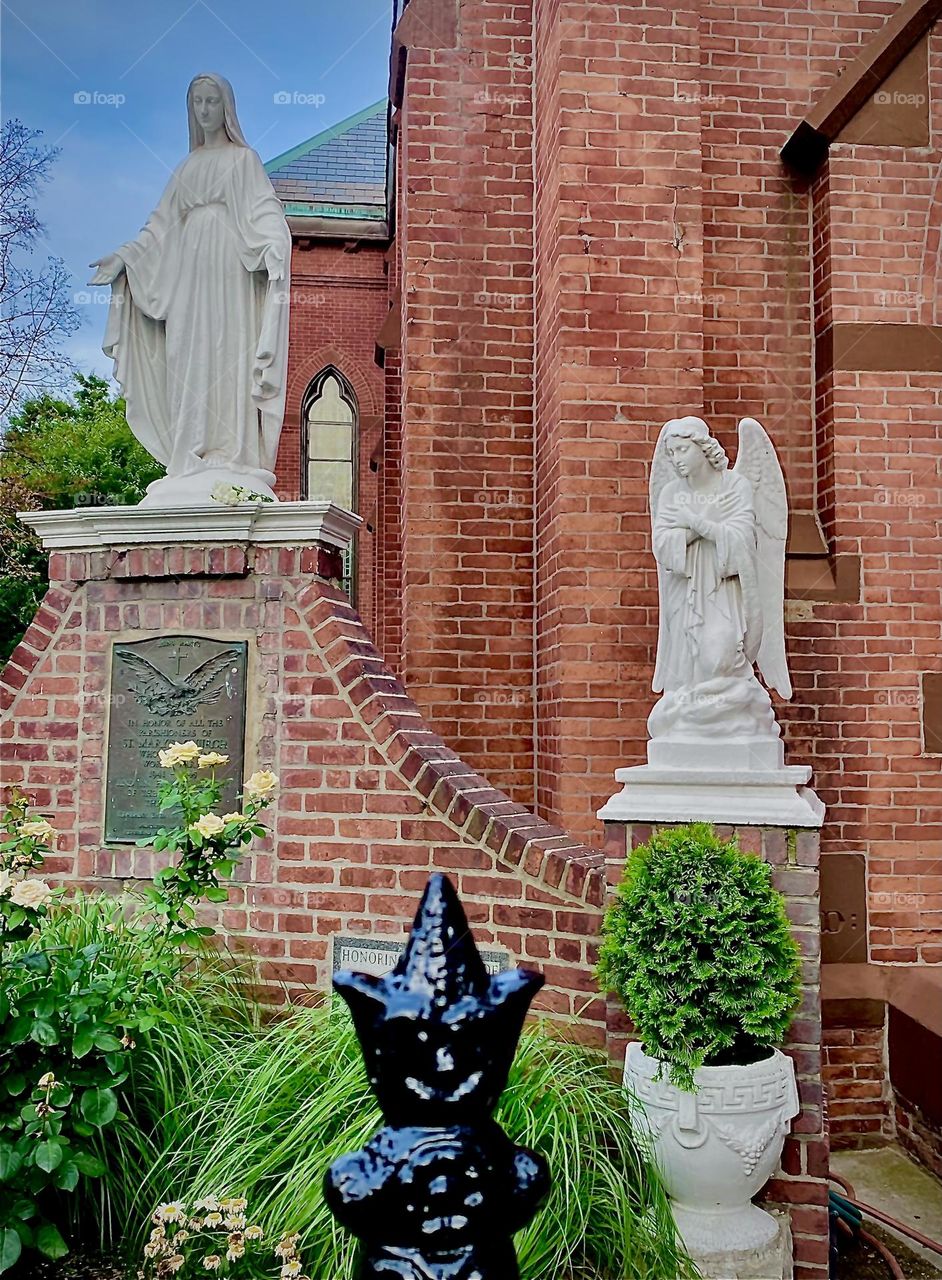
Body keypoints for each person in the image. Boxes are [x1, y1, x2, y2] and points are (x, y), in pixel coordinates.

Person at [90, 73, 291, 504]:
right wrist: (125, 257)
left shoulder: (243, 160)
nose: (204, 110)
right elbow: (158, 228)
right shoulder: (185, 169)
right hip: (187, 277)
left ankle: (233, 454)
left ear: (226, 108)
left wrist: (275, 244)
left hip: (231, 269)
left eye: (211, 101)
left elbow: (265, 209)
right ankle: (190, 453)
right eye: (197, 101)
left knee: (229, 352)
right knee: (187, 354)